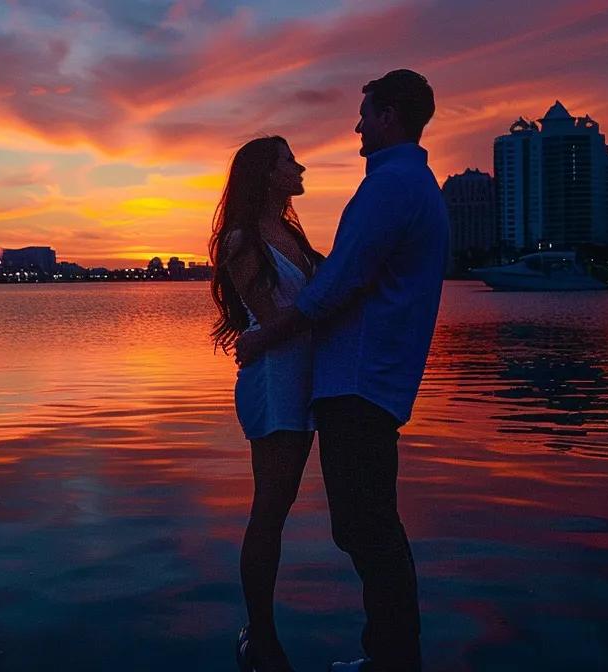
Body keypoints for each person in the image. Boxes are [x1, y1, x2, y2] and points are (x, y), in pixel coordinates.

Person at [234, 69, 448, 672]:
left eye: (365, 114)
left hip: (356, 380)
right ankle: (384, 654)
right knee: (365, 524)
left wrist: (268, 336)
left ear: (388, 116)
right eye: (288, 159)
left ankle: (391, 660)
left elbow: (335, 287)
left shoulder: (390, 188)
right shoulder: (410, 184)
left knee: (367, 527)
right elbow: (333, 281)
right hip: (349, 379)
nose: (356, 125)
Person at [208, 135, 323, 672]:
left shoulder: (290, 232)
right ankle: (261, 634)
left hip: (302, 376)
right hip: (275, 380)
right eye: (288, 161)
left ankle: (263, 633)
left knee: (280, 506)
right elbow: (270, 317)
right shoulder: (242, 238)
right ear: (266, 172)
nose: (299, 167)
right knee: (270, 511)